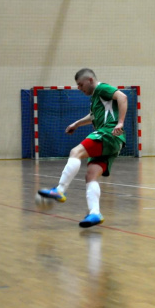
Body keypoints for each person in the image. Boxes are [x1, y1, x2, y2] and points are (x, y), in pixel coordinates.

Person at [37, 68, 127, 228]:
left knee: (75, 152)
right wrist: (76, 124)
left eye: (80, 84)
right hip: (114, 141)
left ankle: (60, 190)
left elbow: (122, 96)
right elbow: (92, 116)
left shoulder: (101, 88)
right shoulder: (96, 99)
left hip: (108, 132)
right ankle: (95, 213)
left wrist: (120, 122)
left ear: (90, 80)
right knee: (91, 175)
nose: (79, 88)